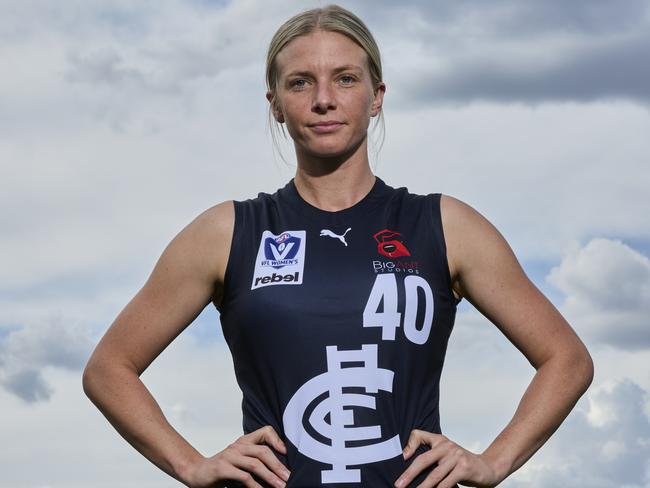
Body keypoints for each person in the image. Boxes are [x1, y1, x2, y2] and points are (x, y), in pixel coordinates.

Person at [82, 4, 594, 488]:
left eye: (345, 78)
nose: (323, 99)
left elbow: (566, 359)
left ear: (376, 96)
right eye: (300, 82)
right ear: (276, 104)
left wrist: (492, 461)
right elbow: (108, 369)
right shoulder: (228, 232)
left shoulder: (443, 225)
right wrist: (192, 465)